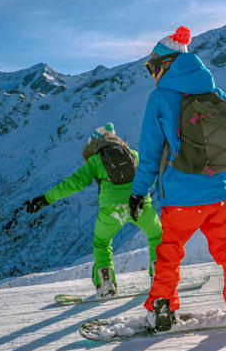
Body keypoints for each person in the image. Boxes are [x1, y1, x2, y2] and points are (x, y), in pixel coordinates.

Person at [128, 26, 226, 332]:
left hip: (181, 196)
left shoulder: (161, 98)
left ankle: (162, 307)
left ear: (167, 63)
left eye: (153, 66)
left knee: (169, 253)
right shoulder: (216, 93)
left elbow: (149, 153)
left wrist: (138, 193)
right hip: (218, 191)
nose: (153, 73)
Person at [24, 123, 162, 297]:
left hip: (111, 210)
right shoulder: (133, 154)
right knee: (156, 235)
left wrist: (45, 199)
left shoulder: (95, 161)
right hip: (141, 205)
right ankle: (160, 273)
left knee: (102, 243)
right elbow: (152, 176)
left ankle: (106, 282)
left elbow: (73, 183)